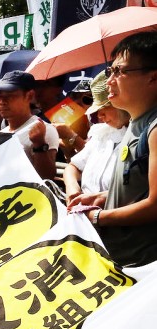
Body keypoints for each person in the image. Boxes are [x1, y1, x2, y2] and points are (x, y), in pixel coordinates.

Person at [70, 31, 157, 266]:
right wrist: (101, 197)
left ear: (153, 77)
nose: (110, 80)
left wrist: (99, 217)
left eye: (120, 71)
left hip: (145, 265)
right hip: (123, 258)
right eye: (111, 71)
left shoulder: (154, 128)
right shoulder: (137, 123)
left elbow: (155, 205)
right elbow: (140, 189)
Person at [64, 72, 130, 206]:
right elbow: (73, 166)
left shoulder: (143, 136)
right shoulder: (102, 134)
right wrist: (72, 188)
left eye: (105, 107)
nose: (100, 115)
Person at [0, 70, 59, 180]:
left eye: (10, 96)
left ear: (29, 96)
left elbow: (46, 177)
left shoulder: (43, 130)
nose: (2, 102)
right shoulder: (3, 133)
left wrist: (39, 144)